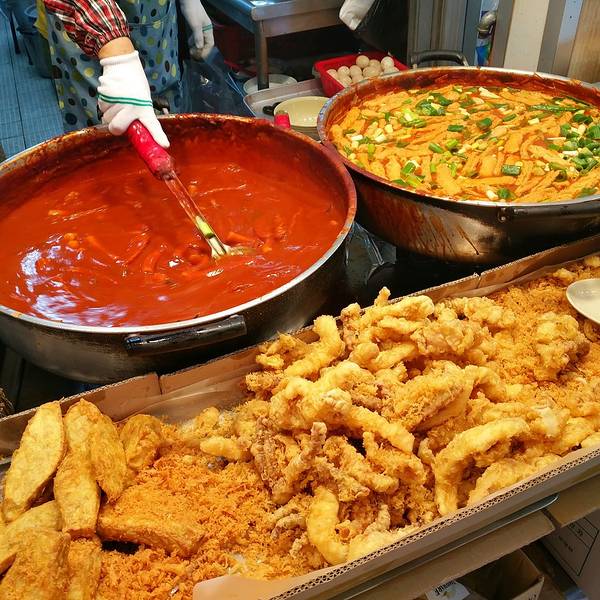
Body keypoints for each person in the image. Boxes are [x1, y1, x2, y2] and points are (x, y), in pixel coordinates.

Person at [42, 0, 214, 147]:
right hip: (86, 28)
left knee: (166, 122)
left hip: (156, 16)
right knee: (102, 135)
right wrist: (117, 56)